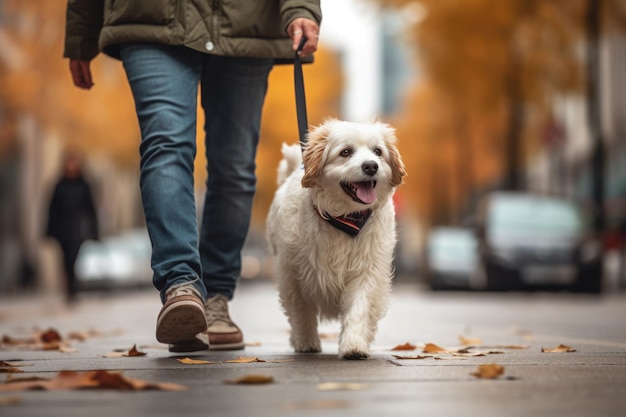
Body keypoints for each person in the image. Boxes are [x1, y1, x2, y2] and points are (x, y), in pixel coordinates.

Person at [63, 1, 321, 352]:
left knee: (235, 166)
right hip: (152, 17)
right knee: (166, 145)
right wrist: (82, 29)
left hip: (245, 20)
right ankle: (180, 286)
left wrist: (301, 7)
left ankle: (215, 298)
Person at [46, 148, 99, 303]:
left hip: (78, 229)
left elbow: (91, 209)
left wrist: (94, 231)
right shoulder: (59, 186)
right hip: (62, 230)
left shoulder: (84, 186)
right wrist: (50, 231)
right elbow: (52, 209)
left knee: (74, 259)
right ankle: (69, 289)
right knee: (65, 260)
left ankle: (73, 288)